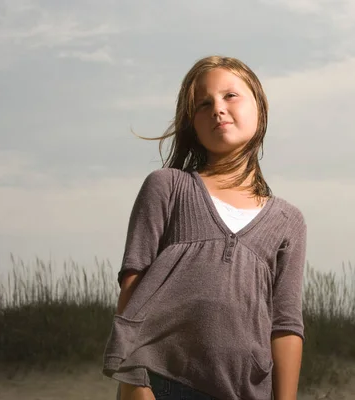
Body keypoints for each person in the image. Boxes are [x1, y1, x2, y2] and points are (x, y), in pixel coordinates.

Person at [101, 55, 308, 400]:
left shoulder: (288, 221)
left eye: (231, 96)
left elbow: (285, 325)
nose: (218, 108)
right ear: (192, 124)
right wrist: (134, 381)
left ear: (260, 106)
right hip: (161, 383)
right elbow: (133, 289)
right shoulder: (167, 187)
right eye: (203, 104)